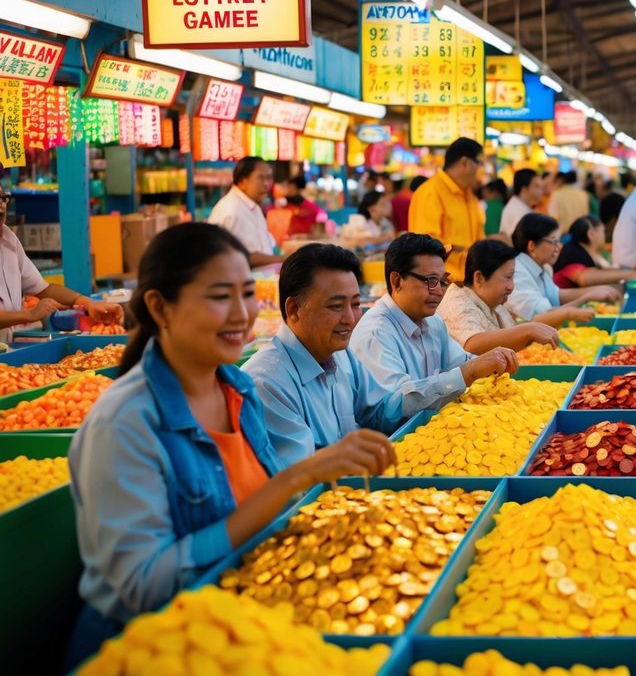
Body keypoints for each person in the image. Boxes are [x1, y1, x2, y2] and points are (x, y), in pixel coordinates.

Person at [65, 224, 395, 665]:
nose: (241, 314)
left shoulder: (238, 392)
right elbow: (143, 586)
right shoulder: (124, 424)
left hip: (235, 623)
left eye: (245, 294)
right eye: (221, 297)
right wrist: (298, 477)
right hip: (156, 649)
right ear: (160, 308)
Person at [241, 244, 407, 468]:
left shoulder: (340, 355)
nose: (350, 318)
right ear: (293, 309)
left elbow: (380, 411)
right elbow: (301, 479)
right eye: (336, 306)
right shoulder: (265, 383)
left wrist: (453, 382)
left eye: (356, 304)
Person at [348, 233, 517, 417]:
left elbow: (460, 362)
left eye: (442, 281)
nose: (438, 291)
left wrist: (485, 363)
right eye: (430, 281)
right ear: (396, 281)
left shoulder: (433, 321)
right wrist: (468, 372)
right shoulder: (376, 333)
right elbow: (394, 408)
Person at [0, 185, 122, 342]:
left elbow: (43, 288)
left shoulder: (8, 239)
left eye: (2, 198)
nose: (1, 204)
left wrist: (87, 303)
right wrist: (28, 314)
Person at [440, 240, 562, 354]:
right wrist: (529, 330)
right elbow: (471, 345)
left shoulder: (493, 302)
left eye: (513, 277)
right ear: (479, 278)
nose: (511, 287)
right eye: (508, 277)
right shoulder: (457, 303)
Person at [508, 213, 620, 323]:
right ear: (532, 246)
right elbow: (543, 316)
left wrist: (595, 291)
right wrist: (587, 298)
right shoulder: (516, 273)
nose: (559, 247)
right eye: (553, 241)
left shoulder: (541, 267)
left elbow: (556, 295)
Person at [409, 137, 486, 282]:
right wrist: (458, 248)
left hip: (470, 283)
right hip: (443, 287)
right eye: (479, 163)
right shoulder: (430, 193)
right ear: (465, 162)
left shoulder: (470, 197)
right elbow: (425, 247)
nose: (481, 170)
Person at [207, 156, 284, 267]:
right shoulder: (234, 209)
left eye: (269, 177)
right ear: (243, 181)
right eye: (261, 178)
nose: (267, 183)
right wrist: (284, 259)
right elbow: (247, 256)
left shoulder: (252, 206)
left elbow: (267, 246)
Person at [554, 216, 636, 288]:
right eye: (602, 232)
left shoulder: (582, 252)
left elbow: (598, 272)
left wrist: (629, 270)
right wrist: (629, 274)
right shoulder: (572, 254)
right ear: (591, 234)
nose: (604, 236)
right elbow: (584, 278)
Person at [500, 168, 545, 239]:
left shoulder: (518, 206)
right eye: (536, 186)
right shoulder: (519, 211)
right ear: (524, 189)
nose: (541, 191)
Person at [548, 170, 590, 236]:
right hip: (580, 234)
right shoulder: (584, 194)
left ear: (564, 180)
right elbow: (586, 215)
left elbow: (552, 217)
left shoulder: (557, 194)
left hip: (563, 235)